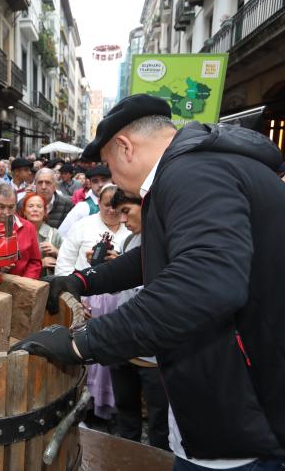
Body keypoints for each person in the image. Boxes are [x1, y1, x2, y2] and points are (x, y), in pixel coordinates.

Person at [12, 93, 285, 469]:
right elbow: (163, 255)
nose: (112, 177)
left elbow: (204, 282)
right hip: (259, 411)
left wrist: (80, 344)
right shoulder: (198, 168)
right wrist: (82, 281)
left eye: (107, 163)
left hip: (280, 423)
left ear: (125, 147)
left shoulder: (194, 173)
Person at [107, 189, 169, 450]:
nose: (122, 220)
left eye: (126, 211)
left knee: (159, 426)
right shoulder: (130, 241)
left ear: (145, 207)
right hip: (124, 348)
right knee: (126, 417)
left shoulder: (169, 244)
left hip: (155, 355)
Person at [54, 185, 128, 276]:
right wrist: (69, 286)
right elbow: (64, 261)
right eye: (107, 205)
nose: (112, 210)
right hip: (83, 286)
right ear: (99, 203)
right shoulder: (82, 225)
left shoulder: (130, 228)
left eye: (116, 205)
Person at [0, 184, 41, 279]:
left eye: (11, 207)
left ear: (16, 205)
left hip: (21, 285)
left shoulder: (28, 228)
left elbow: (35, 262)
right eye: (1, 206)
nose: (6, 212)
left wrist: (26, 282)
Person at [57, 166, 112, 237]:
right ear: (90, 183)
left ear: (111, 180)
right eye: (95, 181)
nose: (100, 185)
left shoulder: (122, 203)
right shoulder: (83, 207)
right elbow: (62, 234)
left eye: (104, 180)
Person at [18, 193, 61, 276]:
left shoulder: (54, 234)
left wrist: (56, 252)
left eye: (39, 206)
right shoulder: (17, 233)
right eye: (31, 206)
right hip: (23, 281)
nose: (35, 209)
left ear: (44, 212)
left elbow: (68, 260)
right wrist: (40, 263)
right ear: (24, 212)